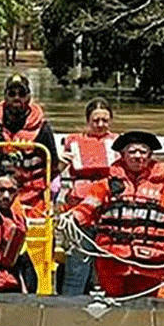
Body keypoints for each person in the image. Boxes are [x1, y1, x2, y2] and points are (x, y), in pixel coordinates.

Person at [67, 130, 164, 299]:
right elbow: (87, 209)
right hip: (112, 264)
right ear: (122, 155)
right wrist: (72, 218)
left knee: (145, 310)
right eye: (132, 151)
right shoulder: (106, 185)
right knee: (112, 307)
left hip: (149, 268)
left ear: (150, 156)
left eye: (143, 151)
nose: (137, 156)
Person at [0, 73, 60, 217]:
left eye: (22, 93)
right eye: (12, 93)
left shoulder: (43, 129)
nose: (17, 98)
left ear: (29, 97)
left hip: (30, 194)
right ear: (5, 97)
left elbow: (53, 166)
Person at [58, 98, 118, 295]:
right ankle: (69, 304)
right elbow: (52, 175)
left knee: (106, 265)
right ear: (87, 121)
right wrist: (59, 163)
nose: (101, 125)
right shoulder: (73, 143)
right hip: (79, 213)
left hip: (109, 212)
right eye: (96, 120)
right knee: (77, 265)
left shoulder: (118, 143)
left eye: (105, 120)